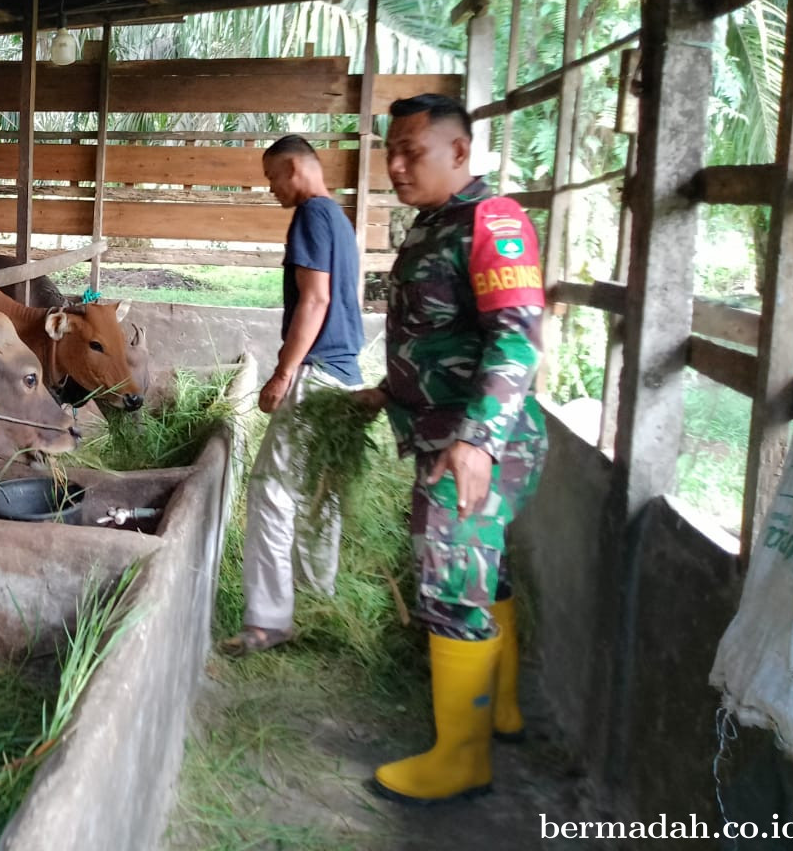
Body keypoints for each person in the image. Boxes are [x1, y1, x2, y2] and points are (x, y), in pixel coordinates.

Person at [351, 93, 548, 805]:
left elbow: (517, 338)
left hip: (475, 444)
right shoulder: (435, 224)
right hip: (445, 434)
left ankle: (461, 760)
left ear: (460, 151)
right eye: (392, 152)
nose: (397, 166)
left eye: (413, 152)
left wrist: (479, 442)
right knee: (481, 573)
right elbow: (439, 333)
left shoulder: (494, 220)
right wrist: (390, 389)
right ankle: (501, 711)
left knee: (448, 579)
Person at [221, 135, 364, 656]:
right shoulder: (339, 218)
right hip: (346, 375)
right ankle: (320, 602)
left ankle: (268, 621)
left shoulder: (310, 215)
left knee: (270, 493)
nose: (271, 189)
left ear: (294, 168)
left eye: (271, 177)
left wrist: (283, 373)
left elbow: (316, 299)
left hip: (316, 373)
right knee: (320, 495)